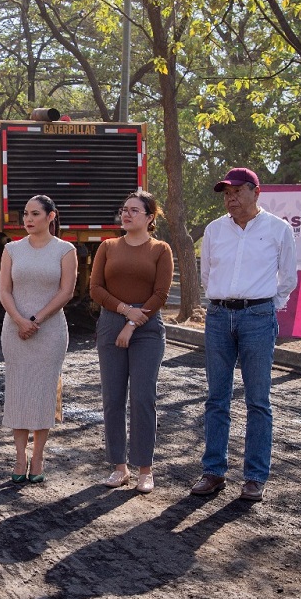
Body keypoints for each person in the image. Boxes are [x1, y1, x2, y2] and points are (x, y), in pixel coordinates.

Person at [191, 167, 297, 502]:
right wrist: (222, 301)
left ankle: (254, 477)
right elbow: (207, 273)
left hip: (258, 317)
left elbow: (288, 278)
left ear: (255, 192)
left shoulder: (278, 229)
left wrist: (265, 306)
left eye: (237, 192)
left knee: (258, 400)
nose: (231, 199)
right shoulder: (214, 230)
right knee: (216, 398)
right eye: (226, 194)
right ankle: (213, 472)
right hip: (219, 316)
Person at [89, 191, 174, 493]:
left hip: (148, 327)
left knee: (142, 397)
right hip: (112, 321)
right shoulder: (108, 247)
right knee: (113, 398)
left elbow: (161, 294)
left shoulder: (160, 249)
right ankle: (118, 467)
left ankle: (144, 469)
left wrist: (133, 323)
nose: (126, 214)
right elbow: (96, 288)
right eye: (124, 210)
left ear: (150, 217)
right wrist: (125, 313)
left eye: (134, 211)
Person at [0, 195, 77, 484]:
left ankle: (39, 456)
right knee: (18, 390)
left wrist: (37, 320)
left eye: (35, 214)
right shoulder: (11, 249)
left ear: (50, 216)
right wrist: (20, 320)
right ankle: (19, 456)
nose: (28, 220)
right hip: (15, 330)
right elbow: (4, 291)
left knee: (44, 392)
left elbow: (66, 291)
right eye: (25, 215)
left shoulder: (65, 250)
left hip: (50, 331)